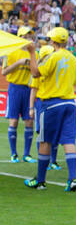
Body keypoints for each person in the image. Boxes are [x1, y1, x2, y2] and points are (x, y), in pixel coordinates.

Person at [24, 27, 76, 193]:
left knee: (45, 141)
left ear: (53, 41)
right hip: (70, 103)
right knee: (69, 141)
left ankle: (40, 181)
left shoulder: (52, 57)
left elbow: (35, 73)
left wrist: (32, 53)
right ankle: (72, 179)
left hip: (52, 103)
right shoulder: (73, 59)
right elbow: (75, 82)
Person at [5, 25, 35, 163]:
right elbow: (4, 72)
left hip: (29, 89)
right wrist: (19, 63)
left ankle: (27, 154)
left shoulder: (34, 53)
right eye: (26, 35)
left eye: (30, 35)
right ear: (20, 37)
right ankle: (13, 154)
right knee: (14, 121)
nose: (29, 37)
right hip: (15, 88)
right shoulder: (12, 52)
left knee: (29, 121)